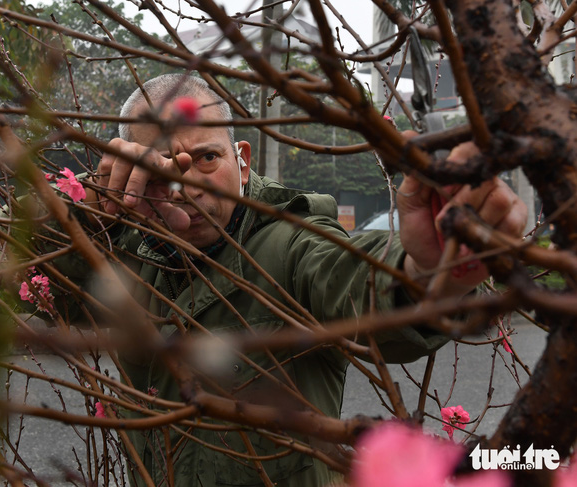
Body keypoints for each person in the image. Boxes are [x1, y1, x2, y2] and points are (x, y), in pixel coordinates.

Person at [62, 74, 526, 486]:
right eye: (162, 169)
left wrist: (426, 272)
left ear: (242, 159)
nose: (188, 186)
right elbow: (22, 262)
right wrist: (89, 202)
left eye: (206, 158)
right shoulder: (119, 244)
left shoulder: (290, 243)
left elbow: (351, 280)